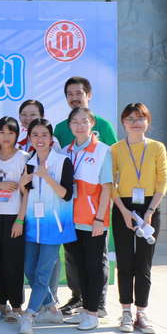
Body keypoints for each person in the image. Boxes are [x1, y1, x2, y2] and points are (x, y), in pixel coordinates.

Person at [51, 77, 116, 316]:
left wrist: (102, 212)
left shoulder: (104, 127)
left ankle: (98, 303)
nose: (74, 97)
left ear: (88, 95)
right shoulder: (60, 129)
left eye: (78, 93)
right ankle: (78, 297)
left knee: (97, 259)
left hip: (94, 212)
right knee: (73, 257)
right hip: (70, 212)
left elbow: (111, 168)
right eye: (69, 94)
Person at [110, 103, 167, 334]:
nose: (136, 123)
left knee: (144, 263)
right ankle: (125, 312)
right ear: (123, 122)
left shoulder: (157, 147)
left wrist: (150, 211)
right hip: (123, 208)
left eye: (140, 118)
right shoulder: (115, 149)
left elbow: (163, 180)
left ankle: (141, 313)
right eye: (130, 119)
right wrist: (124, 211)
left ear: (148, 121)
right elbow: (109, 183)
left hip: (149, 207)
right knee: (125, 262)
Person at [16, 118, 75, 334]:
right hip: (33, 224)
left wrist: (47, 177)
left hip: (54, 226)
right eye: (35, 135)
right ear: (29, 138)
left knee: (42, 273)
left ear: (51, 138)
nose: (40, 139)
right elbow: (28, 194)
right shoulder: (29, 162)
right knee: (29, 270)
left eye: (44, 135)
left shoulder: (62, 161)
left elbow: (67, 195)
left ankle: (29, 315)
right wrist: (22, 186)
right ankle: (52, 309)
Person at [62, 107, 113, 331]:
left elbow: (107, 187)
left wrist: (100, 219)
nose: (80, 125)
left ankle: (93, 314)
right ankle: (85, 310)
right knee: (80, 267)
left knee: (94, 267)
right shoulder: (65, 151)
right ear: (70, 126)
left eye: (84, 121)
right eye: (75, 122)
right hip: (71, 220)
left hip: (93, 221)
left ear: (92, 123)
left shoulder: (102, 150)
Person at [0, 116, 29, 322]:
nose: (6, 136)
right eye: (2, 132)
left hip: (13, 217)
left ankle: (16, 307)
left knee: (13, 262)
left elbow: (28, 192)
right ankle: (0, 305)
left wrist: (20, 220)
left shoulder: (23, 157)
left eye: (10, 132)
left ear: (17, 135)